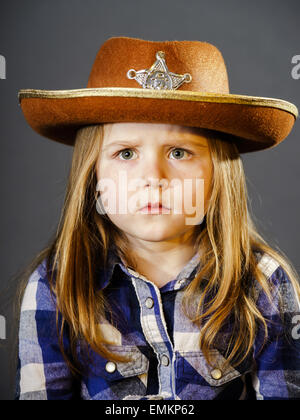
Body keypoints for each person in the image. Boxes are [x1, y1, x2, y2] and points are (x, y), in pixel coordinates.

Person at [15, 36, 300, 400]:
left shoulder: (263, 284)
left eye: (179, 152)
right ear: (94, 177)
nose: (154, 177)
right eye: (126, 153)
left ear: (219, 174)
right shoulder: (57, 285)